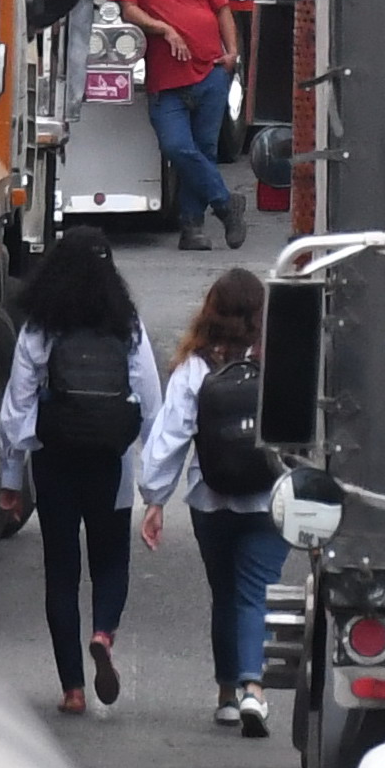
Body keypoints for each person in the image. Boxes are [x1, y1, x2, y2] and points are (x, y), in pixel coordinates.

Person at [0, 233, 162, 716]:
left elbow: (16, 407)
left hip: (55, 459)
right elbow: (151, 402)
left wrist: (10, 477)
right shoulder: (125, 324)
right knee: (112, 563)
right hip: (111, 463)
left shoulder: (42, 327)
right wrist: (156, 489)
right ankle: (103, 633)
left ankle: (72, 688)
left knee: (61, 572)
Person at [139, 266, 288, 738]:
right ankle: (253, 687)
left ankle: (227, 694)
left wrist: (155, 498)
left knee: (224, 593)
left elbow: (170, 436)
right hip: (268, 499)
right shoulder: (279, 360)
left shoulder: (196, 366)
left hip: (210, 496)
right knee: (255, 591)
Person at [110, 0, 251, 249]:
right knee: (176, 145)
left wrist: (232, 54)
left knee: (203, 149)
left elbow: (222, 9)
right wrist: (165, 30)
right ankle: (225, 203)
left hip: (210, 73)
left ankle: (192, 229)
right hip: (167, 82)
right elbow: (128, 8)